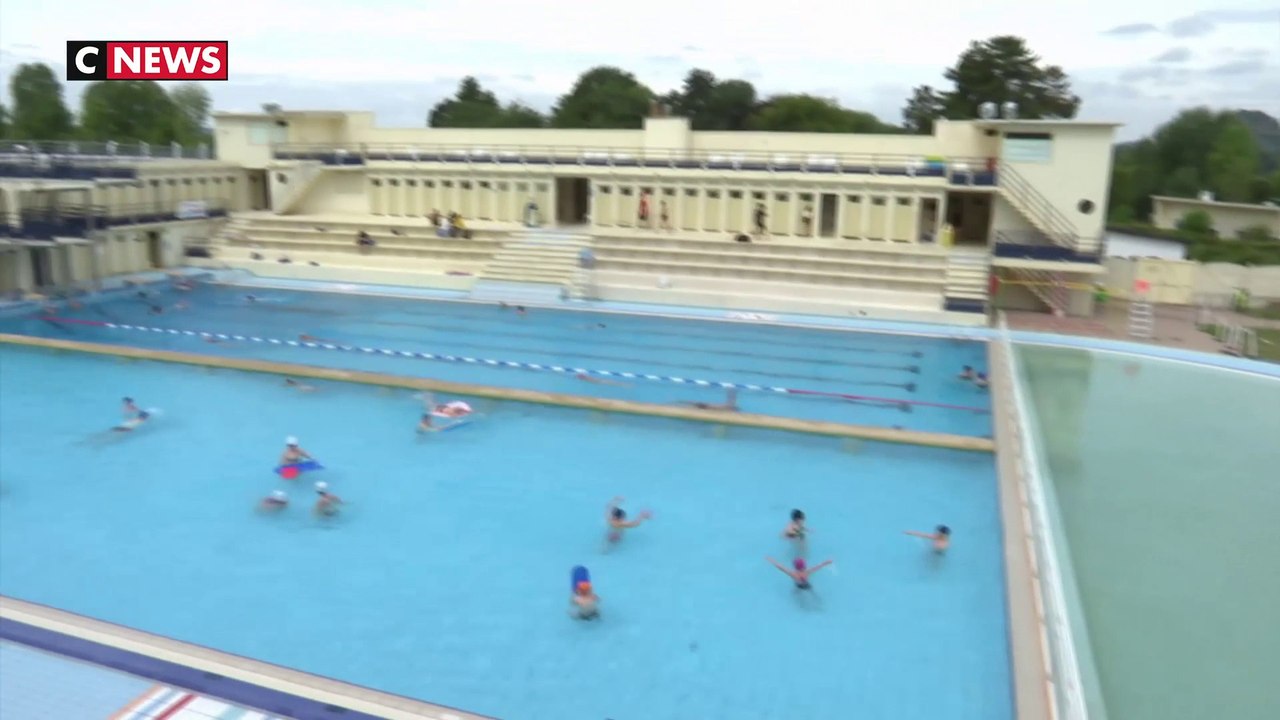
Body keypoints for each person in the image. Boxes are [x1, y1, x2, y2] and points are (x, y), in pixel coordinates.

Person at [766, 556, 833, 591]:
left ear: (795, 566)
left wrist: (772, 561)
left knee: (796, 593)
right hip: (807, 585)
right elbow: (818, 567)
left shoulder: (793, 574)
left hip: (798, 586)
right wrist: (826, 562)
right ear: (804, 565)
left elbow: (781, 568)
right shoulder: (807, 572)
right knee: (812, 593)